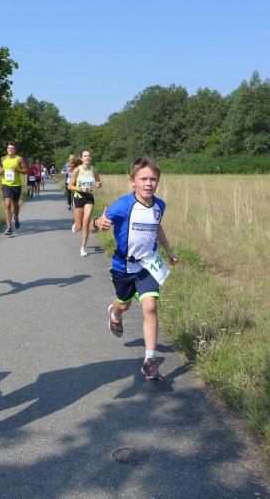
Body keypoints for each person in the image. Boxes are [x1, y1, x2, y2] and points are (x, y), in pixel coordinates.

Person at [93, 156, 178, 381]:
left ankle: (150, 361)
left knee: (150, 306)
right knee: (124, 304)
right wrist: (98, 224)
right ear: (132, 181)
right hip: (123, 267)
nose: (148, 183)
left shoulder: (160, 205)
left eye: (153, 179)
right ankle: (115, 314)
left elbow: (157, 227)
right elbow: (95, 225)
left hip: (147, 265)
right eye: (143, 179)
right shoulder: (122, 206)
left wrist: (168, 251)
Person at [68, 150, 101, 257]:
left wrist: (98, 184)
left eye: (89, 156)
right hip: (78, 197)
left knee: (86, 222)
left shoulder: (94, 170)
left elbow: (98, 183)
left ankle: (83, 248)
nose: (87, 157)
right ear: (82, 158)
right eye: (85, 156)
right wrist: (80, 189)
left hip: (89, 198)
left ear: (91, 158)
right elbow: (70, 186)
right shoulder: (77, 170)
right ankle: (76, 225)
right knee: (79, 227)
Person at [0, 143, 27, 236]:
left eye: (12, 148)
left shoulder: (19, 159)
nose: (10, 150)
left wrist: (17, 170)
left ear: (15, 150)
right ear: (7, 149)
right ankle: (9, 228)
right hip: (6, 184)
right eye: (9, 148)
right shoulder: (3, 158)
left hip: (16, 185)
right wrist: (0, 171)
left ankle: (16, 217)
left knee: (15, 204)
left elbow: (25, 170)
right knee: (7, 205)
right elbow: (1, 167)